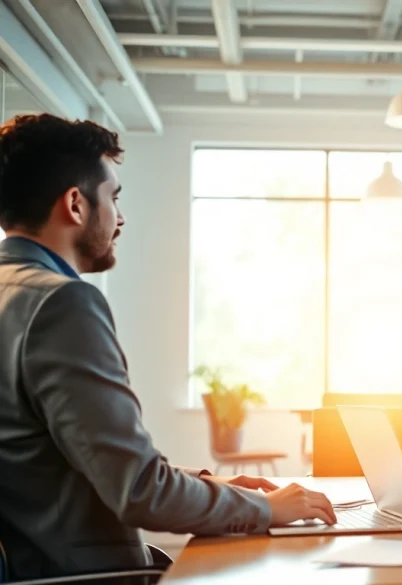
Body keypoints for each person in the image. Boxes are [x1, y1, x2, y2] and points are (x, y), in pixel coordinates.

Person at [0, 114, 337, 580]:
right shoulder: (63, 303)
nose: (120, 217)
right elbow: (141, 492)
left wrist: (208, 485)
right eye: (113, 198)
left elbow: (70, 462)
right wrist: (264, 507)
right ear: (75, 204)